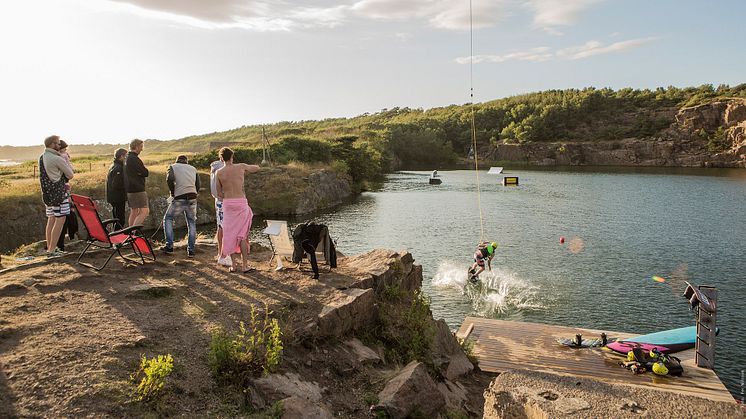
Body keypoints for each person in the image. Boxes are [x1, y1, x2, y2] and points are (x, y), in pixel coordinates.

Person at [215, 147, 260, 273]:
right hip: (241, 203)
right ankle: (245, 266)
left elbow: (219, 193)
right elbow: (256, 168)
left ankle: (234, 266)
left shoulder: (218, 172)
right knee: (242, 235)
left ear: (221, 158)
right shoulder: (240, 166)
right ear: (232, 157)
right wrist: (251, 166)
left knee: (229, 235)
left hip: (228, 204)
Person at [39, 135, 74, 255]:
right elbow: (70, 175)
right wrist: (66, 160)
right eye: (58, 144)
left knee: (51, 219)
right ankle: (52, 250)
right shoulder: (57, 158)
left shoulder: (42, 157)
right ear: (52, 144)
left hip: (48, 194)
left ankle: (50, 248)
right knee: (60, 219)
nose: (60, 146)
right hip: (58, 194)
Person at [162, 155, 200, 257]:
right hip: (192, 197)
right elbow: (198, 185)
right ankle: (191, 250)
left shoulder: (173, 166)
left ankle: (169, 246)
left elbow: (169, 179)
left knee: (168, 218)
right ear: (186, 161)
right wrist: (195, 193)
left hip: (179, 197)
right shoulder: (193, 168)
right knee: (191, 222)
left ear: (177, 160)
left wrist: (173, 193)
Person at [55, 140, 78, 251]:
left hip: (62, 191)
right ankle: (60, 245)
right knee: (63, 219)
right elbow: (70, 173)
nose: (65, 151)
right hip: (62, 192)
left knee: (61, 219)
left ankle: (59, 244)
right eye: (64, 149)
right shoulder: (61, 158)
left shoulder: (57, 157)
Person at [124, 139, 149, 227]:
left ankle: (130, 235)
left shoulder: (126, 157)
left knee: (134, 211)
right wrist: (142, 172)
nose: (142, 149)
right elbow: (145, 172)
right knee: (145, 211)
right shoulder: (134, 158)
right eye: (141, 147)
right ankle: (133, 233)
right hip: (137, 189)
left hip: (129, 189)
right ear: (137, 146)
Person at [210, 157, 226, 264]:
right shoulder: (222, 168)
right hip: (223, 200)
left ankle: (220, 252)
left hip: (217, 200)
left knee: (220, 226)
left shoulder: (213, 167)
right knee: (223, 227)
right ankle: (223, 255)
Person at [106, 148, 128, 228]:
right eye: (126, 156)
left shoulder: (113, 165)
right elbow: (116, 184)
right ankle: (118, 235)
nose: (126, 158)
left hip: (113, 197)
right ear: (121, 156)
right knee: (120, 219)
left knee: (116, 218)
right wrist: (126, 187)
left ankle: (117, 235)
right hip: (118, 197)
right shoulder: (118, 168)